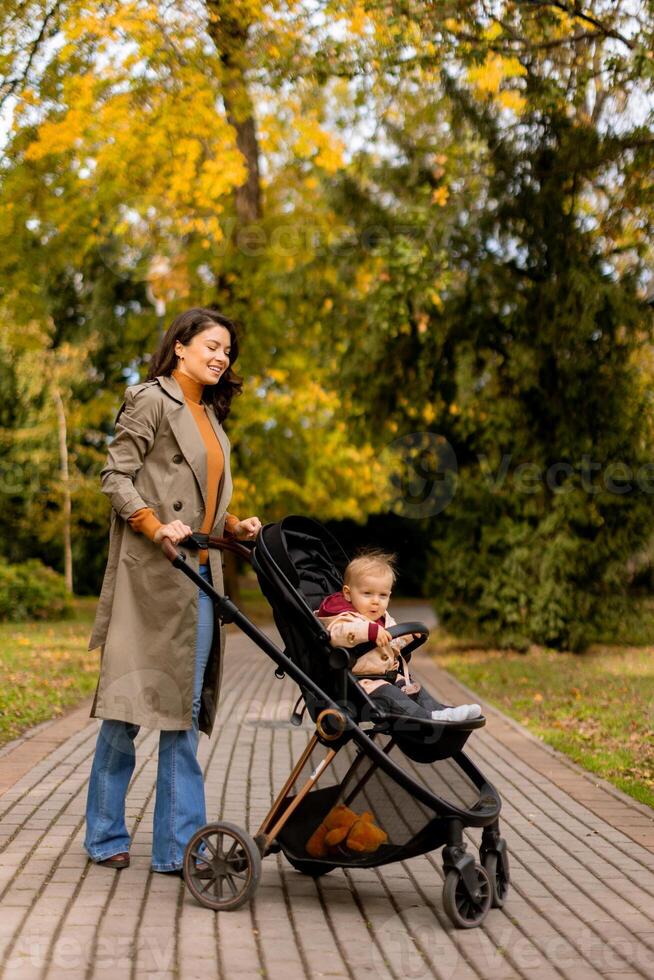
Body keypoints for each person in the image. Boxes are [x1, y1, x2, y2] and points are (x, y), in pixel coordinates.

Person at [84, 307, 262, 874]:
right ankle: (105, 833)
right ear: (180, 345)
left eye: (227, 351)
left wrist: (232, 524)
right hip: (152, 575)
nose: (220, 357)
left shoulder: (211, 416)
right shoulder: (150, 399)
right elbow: (116, 476)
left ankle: (178, 847)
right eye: (211, 345)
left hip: (200, 576)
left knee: (182, 711)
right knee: (129, 707)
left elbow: (204, 495)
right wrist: (153, 524)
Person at [316, 550, 481, 722]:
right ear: (348, 594)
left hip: (389, 678)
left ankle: (441, 712)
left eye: (382, 595)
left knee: (414, 689)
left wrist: (410, 636)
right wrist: (368, 631)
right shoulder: (344, 618)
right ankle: (430, 718)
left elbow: (395, 641)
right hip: (363, 686)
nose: (375, 601)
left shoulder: (384, 619)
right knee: (394, 695)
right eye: (367, 594)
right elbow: (338, 635)